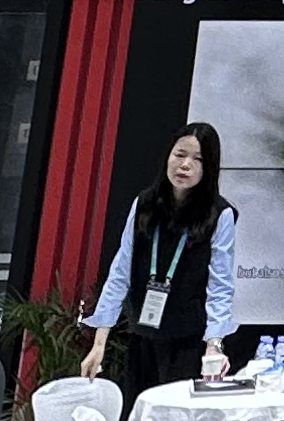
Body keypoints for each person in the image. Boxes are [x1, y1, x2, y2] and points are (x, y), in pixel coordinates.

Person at [77, 122, 236, 399]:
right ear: (168, 156)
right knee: (138, 411)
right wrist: (99, 343)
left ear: (208, 167)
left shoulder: (220, 214)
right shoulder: (144, 204)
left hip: (186, 340)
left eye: (197, 159)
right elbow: (120, 272)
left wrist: (214, 345)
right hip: (143, 335)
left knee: (175, 413)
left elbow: (220, 287)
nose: (185, 165)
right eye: (179, 154)